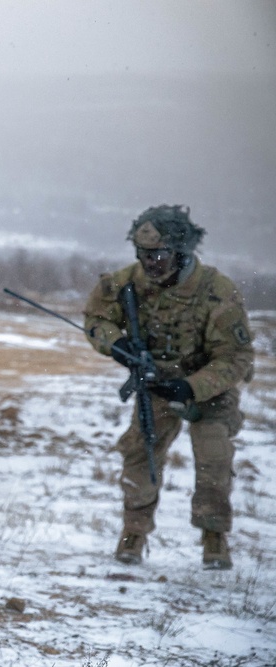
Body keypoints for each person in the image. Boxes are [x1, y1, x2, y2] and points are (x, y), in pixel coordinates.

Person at [83, 205, 254, 570]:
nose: (151, 263)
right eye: (143, 254)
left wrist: (192, 386)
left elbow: (235, 357)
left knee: (213, 460)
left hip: (209, 390)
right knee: (139, 454)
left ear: (181, 252)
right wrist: (117, 344)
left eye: (158, 255)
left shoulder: (216, 291)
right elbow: (96, 319)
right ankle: (134, 532)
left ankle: (214, 538)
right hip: (156, 384)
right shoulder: (126, 282)